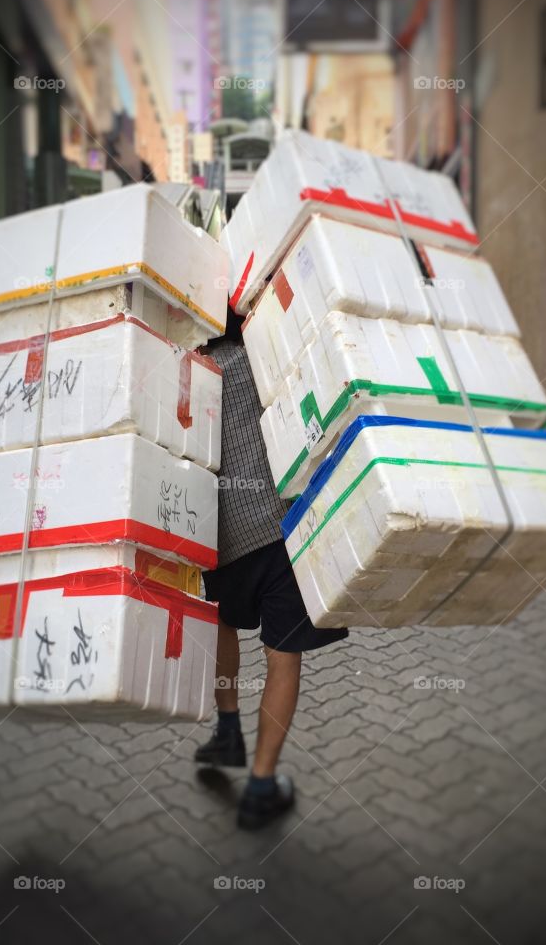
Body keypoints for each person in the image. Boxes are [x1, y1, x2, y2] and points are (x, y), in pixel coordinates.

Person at [196, 306, 348, 830]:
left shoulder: (188, 367)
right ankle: (262, 784)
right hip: (283, 529)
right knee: (283, 658)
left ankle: (228, 729)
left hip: (219, 534)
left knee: (222, 624)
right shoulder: (269, 357)